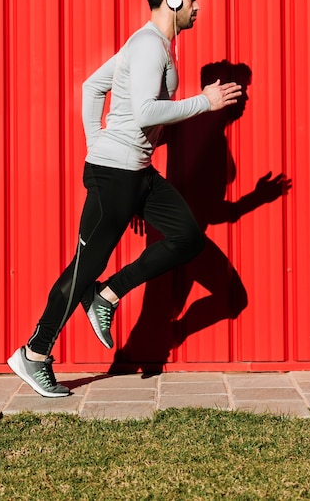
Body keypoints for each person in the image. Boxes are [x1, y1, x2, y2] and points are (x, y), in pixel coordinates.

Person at [7, 0, 243, 397]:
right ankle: (34, 353)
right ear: (171, 0)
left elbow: (90, 87)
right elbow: (145, 113)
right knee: (84, 268)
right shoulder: (150, 47)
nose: (197, 6)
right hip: (115, 173)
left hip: (134, 172)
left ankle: (108, 296)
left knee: (187, 237)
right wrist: (204, 102)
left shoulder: (146, 44)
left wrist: (99, 142)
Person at [110, 60, 291, 375]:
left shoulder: (203, 130)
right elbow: (137, 140)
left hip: (185, 234)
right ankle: (125, 352)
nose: (245, 98)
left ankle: (154, 345)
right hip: (173, 233)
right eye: (239, 90)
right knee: (171, 309)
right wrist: (137, 198)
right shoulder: (187, 119)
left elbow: (213, 209)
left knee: (169, 310)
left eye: (245, 90)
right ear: (218, 88)